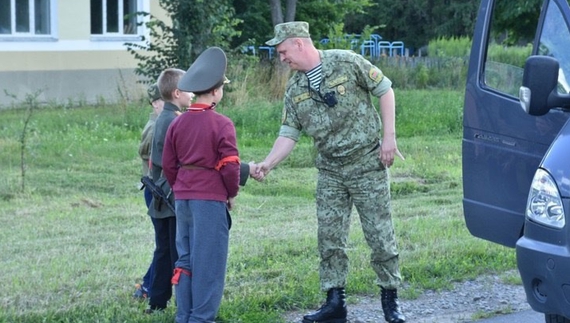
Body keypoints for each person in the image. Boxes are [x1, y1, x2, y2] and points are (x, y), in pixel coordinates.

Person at [255, 21, 406, 323]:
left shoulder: (346, 62)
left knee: (379, 234)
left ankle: (391, 302)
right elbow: (288, 133)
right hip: (330, 170)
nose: (282, 58)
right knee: (330, 238)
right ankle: (335, 304)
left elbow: (385, 90)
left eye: (283, 51)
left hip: (366, 163)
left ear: (298, 43)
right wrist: (267, 163)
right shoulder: (295, 87)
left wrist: (389, 138)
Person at [161, 46, 241, 323]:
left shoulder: (177, 123)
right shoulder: (222, 124)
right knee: (209, 263)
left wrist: (181, 187)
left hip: (182, 198)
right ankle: (202, 318)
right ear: (216, 91)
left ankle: (184, 316)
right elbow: (230, 167)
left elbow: (168, 165)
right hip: (210, 199)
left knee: (185, 259)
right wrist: (230, 193)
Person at [145, 68, 194, 314]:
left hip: (161, 194)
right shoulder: (175, 120)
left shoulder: (164, 117)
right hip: (170, 195)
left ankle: (157, 301)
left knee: (164, 249)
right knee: (177, 251)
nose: (192, 93)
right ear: (177, 93)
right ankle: (181, 304)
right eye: (188, 89)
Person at [133, 83, 164, 300]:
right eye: (166, 100)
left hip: (160, 192)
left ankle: (151, 286)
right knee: (165, 245)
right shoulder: (155, 128)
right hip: (156, 192)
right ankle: (147, 287)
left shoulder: (161, 123)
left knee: (168, 244)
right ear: (155, 103)